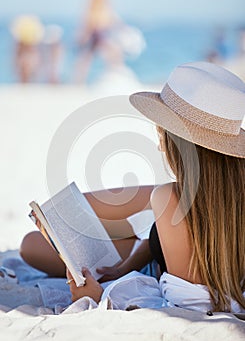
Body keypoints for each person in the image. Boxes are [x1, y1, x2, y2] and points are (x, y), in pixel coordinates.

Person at [20, 61, 245, 313]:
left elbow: (189, 305)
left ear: (176, 143)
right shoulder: (196, 196)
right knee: (47, 231)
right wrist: (124, 267)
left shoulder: (169, 197)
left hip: (171, 242)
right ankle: (138, 229)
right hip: (169, 235)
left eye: (162, 132)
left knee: (42, 238)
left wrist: (98, 296)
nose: (160, 145)